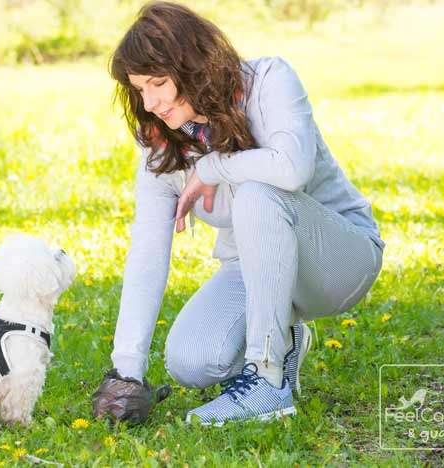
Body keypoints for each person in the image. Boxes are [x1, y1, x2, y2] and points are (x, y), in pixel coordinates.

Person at [91, 1, 384, 426]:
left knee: (256, 193)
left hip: (339, 260)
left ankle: (267, 379)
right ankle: (283, 337)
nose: (150, 101)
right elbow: (148, 251)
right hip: (251, 267)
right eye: (140, 88)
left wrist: (213, 167)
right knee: (191, 362)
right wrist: (127, 370)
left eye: (158, 82)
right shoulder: (162, 141)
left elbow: (291, 166)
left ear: (193, 65)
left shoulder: (269, 81)